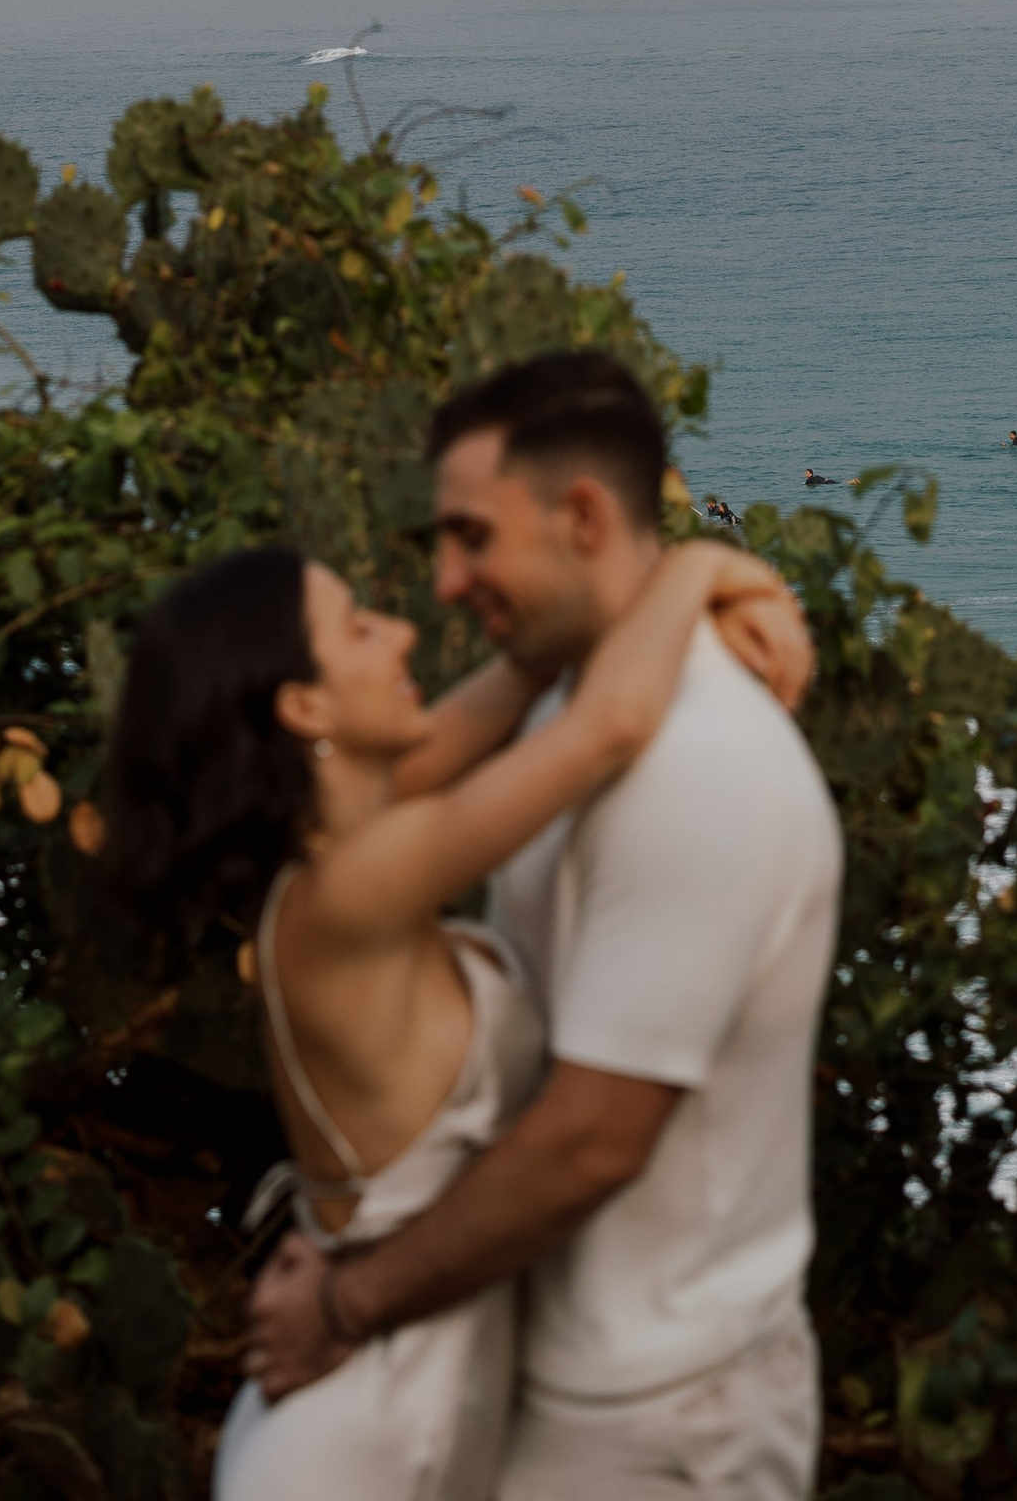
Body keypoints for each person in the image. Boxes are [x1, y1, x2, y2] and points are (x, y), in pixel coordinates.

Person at [102, 503, 810, 1501]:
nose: (398, 631)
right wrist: (694, 568)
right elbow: (605, 727)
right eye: (356, 628)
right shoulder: (351, 891)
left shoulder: (350, 849)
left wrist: (668, 605)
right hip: (358, 1442)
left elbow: (519, 678)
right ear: (305, 710)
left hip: (405, 1407)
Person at [248, 350, 846, 1501]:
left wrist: (341, 1301)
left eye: (471, 536)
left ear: (580, 516)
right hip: (537, 1368)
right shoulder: (562, 709)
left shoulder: (695, 765)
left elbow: (592, 1139)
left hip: (663, 1415)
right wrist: (701, 568)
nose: (442, 587)